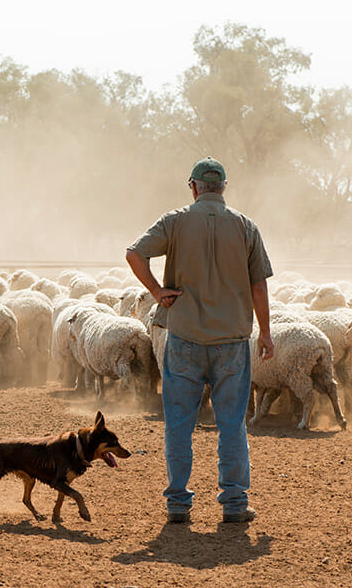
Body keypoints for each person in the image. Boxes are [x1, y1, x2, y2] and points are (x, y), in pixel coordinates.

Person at [125, 156, 274, 524]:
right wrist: (266, 332)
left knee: (179, 424)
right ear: (223, 187)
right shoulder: (244, 226)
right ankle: (235, 503)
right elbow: (258, 285)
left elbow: (134, 253)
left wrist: (159, 292)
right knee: (231, 424)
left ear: (193, 187)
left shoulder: (175, 221)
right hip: (231, 341)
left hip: (185, 338)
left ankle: (178, 503)